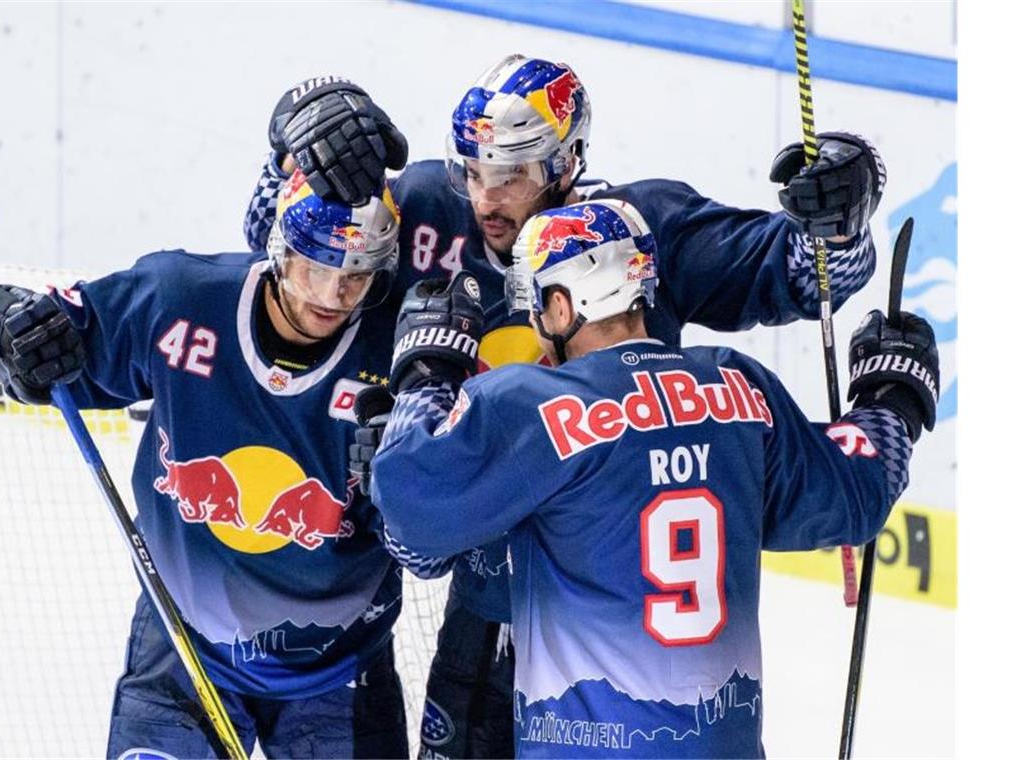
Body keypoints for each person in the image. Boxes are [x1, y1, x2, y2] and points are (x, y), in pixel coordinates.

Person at [247, 56, 886, 759]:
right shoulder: (429, 206)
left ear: (567, 160)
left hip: (608, 607)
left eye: (512, 173)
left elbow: (797, 271)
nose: (486, 198)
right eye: (473, 168)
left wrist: (840, 218)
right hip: (484, 595)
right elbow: (283, 243)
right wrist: (298, 137)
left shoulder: (640, 231)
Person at [368, 200, 938, 759]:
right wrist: (892, 397)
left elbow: (412, 518)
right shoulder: (738, 387)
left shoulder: (529, 405)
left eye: (540, 308)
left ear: (563, 308)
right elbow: (853, 496)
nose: (538, 328)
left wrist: (428, 372)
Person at [0, 169, 414, 759]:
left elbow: (435, 525)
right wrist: (6, 335)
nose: (333, 294)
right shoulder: (180, 300)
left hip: (338, 669)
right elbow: (53, 347)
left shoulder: (397, 348)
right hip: (182, 646)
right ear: (281, 249)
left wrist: (416, 464)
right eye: (316, 265)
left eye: (357, 274)